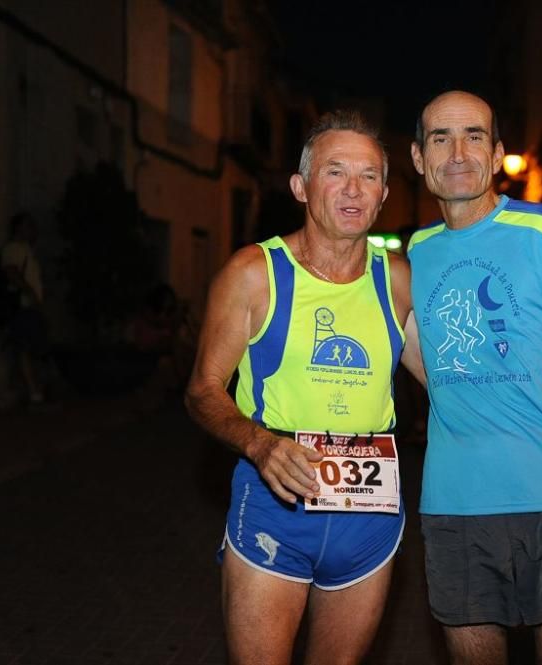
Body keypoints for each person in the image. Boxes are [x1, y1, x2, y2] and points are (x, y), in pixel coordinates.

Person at [185, 111, 423, 665]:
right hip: (275, 505)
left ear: (385, 194)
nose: (352, 189)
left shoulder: (399, 280)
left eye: (368, 176)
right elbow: (202, 390)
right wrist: (261, 444)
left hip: (370, 514)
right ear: (300, 186)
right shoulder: (253, 273)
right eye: (335, 172)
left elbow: (450, 385)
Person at [407, 90, 542, 665]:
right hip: (453, 506)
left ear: (497, 153)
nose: (457, 152)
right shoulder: (414, 252)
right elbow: (416, 356)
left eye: (474, 136)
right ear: (417, 158)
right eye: (440, 138)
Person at [0, 212, 49, 404]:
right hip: (22, 306)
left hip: (30, 305)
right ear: (19, 227)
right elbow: (11, 272)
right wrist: (30, 292)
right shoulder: (13, 249)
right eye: (28, 226)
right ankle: (33, 391)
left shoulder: (26, 249)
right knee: (24, 348)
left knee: (33, 347)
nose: (31, 230)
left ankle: (33, 389)